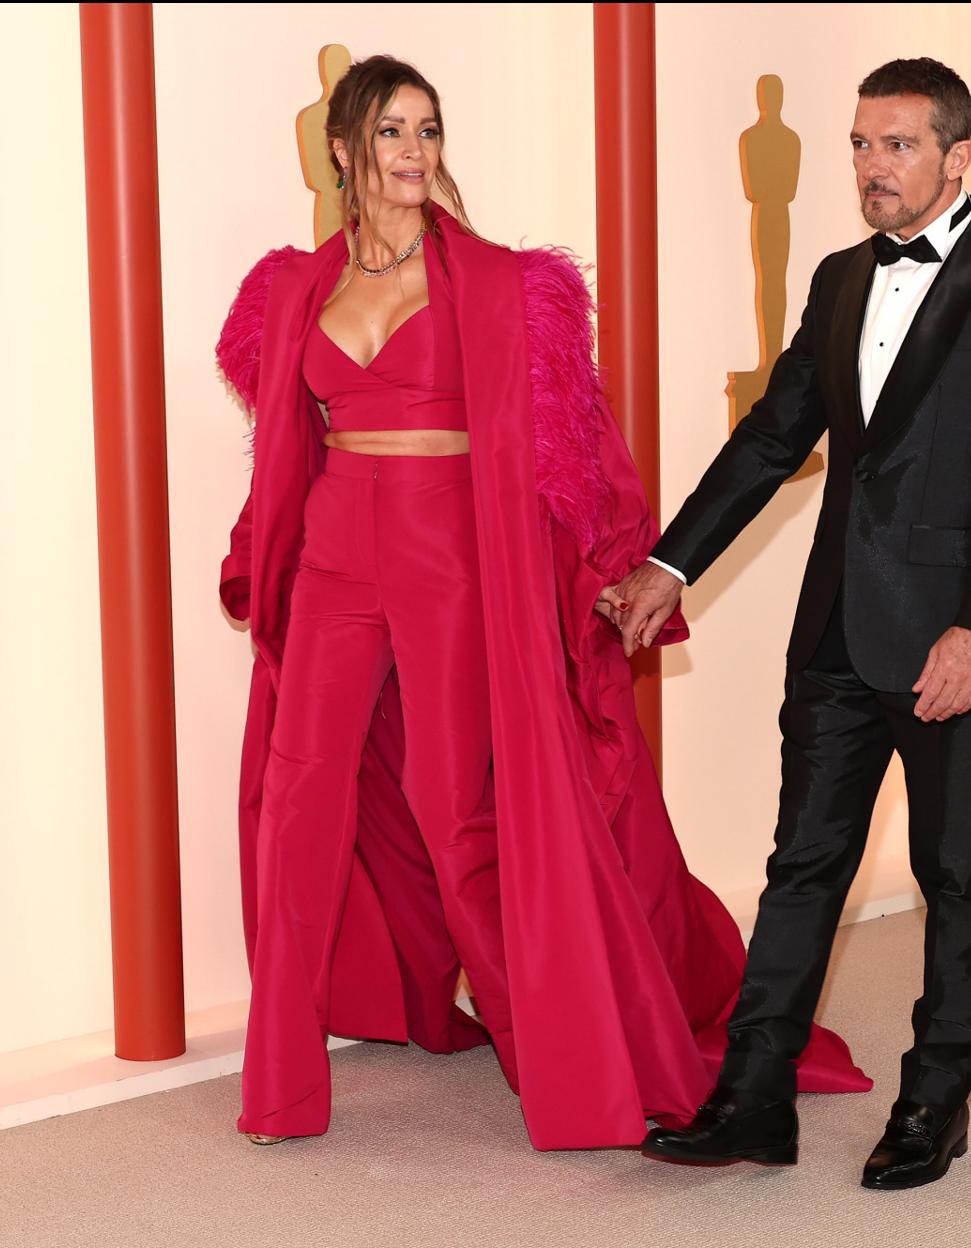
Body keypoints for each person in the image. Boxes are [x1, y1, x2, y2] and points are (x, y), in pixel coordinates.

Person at [215, 54, 870, 1152]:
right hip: (335, 559)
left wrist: (622, 561)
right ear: (343, 150)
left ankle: (561, 1052)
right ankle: (278, 1088)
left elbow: (576, 446)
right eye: (390, 133)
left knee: (458, 811)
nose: (414, 152)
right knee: (297, 808)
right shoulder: (293, 288)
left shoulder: (506, 284)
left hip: (449, 562)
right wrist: (260, 548)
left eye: (427, 130)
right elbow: (283, 442)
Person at [615, 57, 971, 1185]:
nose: (875, 169)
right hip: (835, 630)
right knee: (802, 866)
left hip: (953, 645)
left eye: (901, 146)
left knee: (956, 875)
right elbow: (775, 435)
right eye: (862, 146)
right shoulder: (836, 278)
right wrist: (672, 560)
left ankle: (936, 1103)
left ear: (957, 154)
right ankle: (753, 1099)